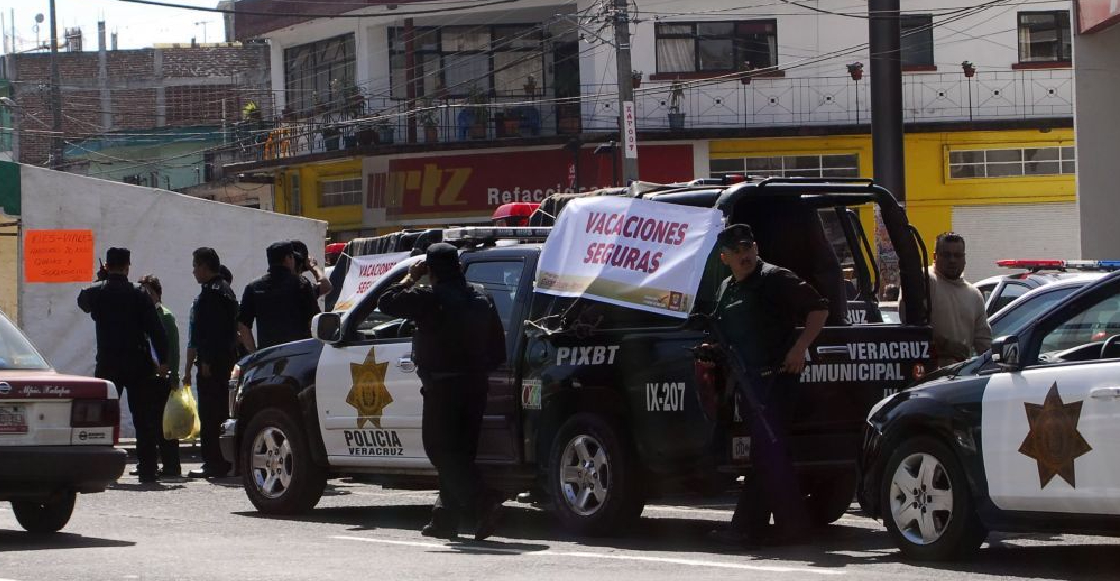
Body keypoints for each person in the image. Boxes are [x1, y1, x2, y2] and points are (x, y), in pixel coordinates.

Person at [702, 224, 829, 547]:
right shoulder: (727, 288)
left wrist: (800, 348)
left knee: (769, 452)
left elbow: (819, 309)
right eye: (736, 251)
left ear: (755, 247)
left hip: (777, 379)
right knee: (765, 454)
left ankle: (768, 528)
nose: (744, 255)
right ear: (724, 258)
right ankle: (761, 527)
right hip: (748, 382)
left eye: (747, 248)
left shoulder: (775, 278)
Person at [377, 243, 506, 541]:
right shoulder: (482, 298)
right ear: (459, 268)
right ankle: (445, 519)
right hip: (476, 387)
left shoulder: (428, 298)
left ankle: (484, 501)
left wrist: (410, 277)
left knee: (439, 451)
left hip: (443, 388)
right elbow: (497, 348)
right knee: (459, 455)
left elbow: (386, 302)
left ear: (431, 271)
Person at [77, 247, 169, 484]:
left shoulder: (97, 291)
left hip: (108, 362)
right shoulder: (139, 293)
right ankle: (148, 469)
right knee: (143, 419)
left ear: (107, 266)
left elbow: (82, 302)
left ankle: (102, 469)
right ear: (128, 267)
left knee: (103, 417)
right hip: (138, 362)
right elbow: (156, 330)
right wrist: (164, 359)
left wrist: (100, 280)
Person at [187, 247, 240, 478]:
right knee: (221, 411)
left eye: (195, 266)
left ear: (204, 266)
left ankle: (214, 462)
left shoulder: (211, 294)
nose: (193, 272)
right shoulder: (225, 290)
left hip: (213, 363)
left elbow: (211, 331)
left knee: (211, 413)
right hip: (226, 360)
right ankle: (223, 461)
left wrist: (206, 360)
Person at [907, 232, 992, 367]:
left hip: (960, 375)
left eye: (957, 255)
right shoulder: (924, 280)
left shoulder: (974, 295)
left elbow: (985, 345)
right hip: (926, 373)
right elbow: (911, 326)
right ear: (935, 257)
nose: (952, 260)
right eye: (946, 255)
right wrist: (946, 346)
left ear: (964, 258)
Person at [136, 275, 183, 479]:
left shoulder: (165, 316)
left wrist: (174, 375)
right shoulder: (140, 315)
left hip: (163, 376)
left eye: (147, 291)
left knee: (166, 423)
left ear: (156, 293)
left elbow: (173, 349)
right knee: (148, 422)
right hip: (147, 375)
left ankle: (171, 465)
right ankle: (150, 463)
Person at [238, 241, 318, 353]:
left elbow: (243, 325)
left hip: (269, 356)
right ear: (287, 258)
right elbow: (313, 321)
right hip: (298, 354)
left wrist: (254, 354)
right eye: (292, 257)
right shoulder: (301, 284)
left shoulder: (253, 287)